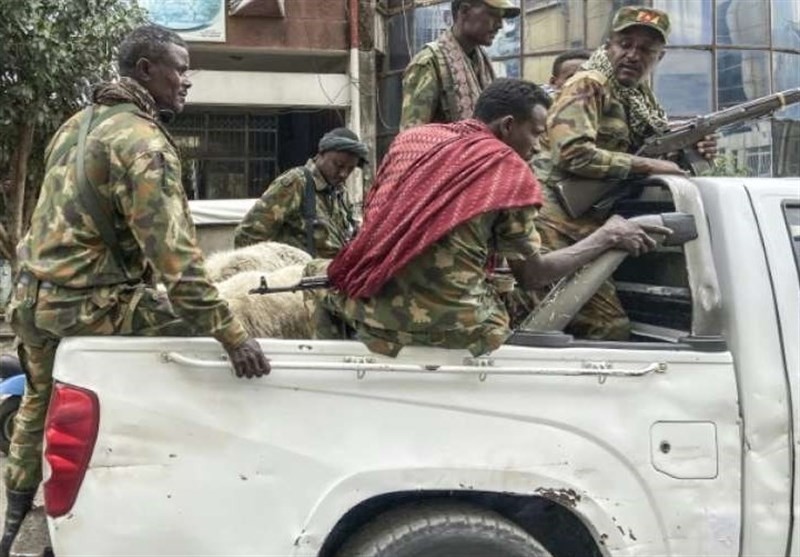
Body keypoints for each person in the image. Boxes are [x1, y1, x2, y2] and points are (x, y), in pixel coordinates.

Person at [0, 25, 270, 553]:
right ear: (146, 70)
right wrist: (235, 337)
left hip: (32, 299)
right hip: (87, 304)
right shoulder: (143, 143)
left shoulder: (76, 125)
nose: (187, 81)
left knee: (37, 404)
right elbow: (179, 267)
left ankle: (11, 533)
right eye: (180, 69)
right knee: (205, 325)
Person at [306, 78, 669, 357]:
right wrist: (607, 236)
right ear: (507, 125)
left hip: (372, 318)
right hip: (460, 330)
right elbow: (533, 275)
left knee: (314, 274)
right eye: (536, 133)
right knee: (511, 307)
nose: (538, 146)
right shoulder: (509, 172)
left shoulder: (410, 142)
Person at [533, 5, 717, 340]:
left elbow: (650, 149)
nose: (633, 55)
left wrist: (692, 149)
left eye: (645, 49)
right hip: (554, 220)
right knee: (603, 327)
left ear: (659, 58)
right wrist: (648, 164)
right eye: (625, 44)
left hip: (593, 222)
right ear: (608, 47)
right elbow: (573, 154)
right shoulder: (588, 84)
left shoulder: (640, 100)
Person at [233, 128, 367, 257]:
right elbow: (247, 236)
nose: (343, 174)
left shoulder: (340, 193)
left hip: (334, 271)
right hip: (298, 270)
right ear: (320, 154)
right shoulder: (296, 183)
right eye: (338, 165)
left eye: (350, 169)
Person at [399, 0, 520, 130]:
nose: (500, 25)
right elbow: (411, 136)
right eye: (492, 14)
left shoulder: (483, 64)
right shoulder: (429, 63)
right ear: (464, 11)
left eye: (501, 17)